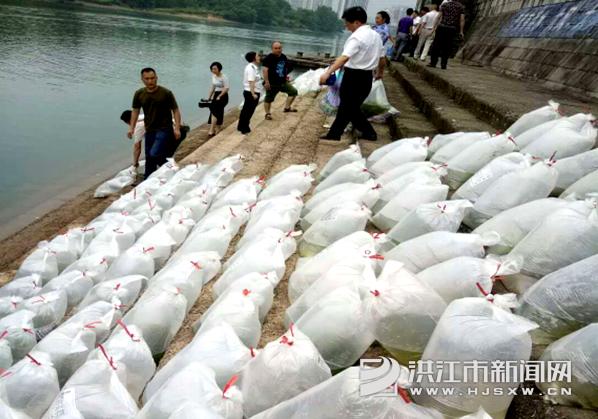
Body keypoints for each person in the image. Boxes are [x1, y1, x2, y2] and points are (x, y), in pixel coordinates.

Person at [319, 6, 384, 142]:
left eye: (347, 23)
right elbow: (382, 58)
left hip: (353, 77)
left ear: (356, 22)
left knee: (350, 108)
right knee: (347, 107)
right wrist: (380, 73)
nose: (346, 26)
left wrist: (328, 72)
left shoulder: (357, 37)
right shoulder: (376, 36)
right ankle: (335, 134)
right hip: (367, 77)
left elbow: (344, 57)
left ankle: (369, 132)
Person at [128, 67, 182, 179]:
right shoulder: (139, 94)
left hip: (164, 128)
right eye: (147, 79)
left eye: (152, 78)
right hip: (149, 128)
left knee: (154, 153)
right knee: (149, 156)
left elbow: (175, 110)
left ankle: (170, 167)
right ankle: (148, 178)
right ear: (142, 79)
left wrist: (177, 128)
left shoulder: (166, 93)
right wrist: (131, 128)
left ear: (156, 78)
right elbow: (135, 111)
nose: (150, 81)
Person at [262, 41, 298, 120]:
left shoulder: (283, 56)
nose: (278, 50)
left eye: (279, 48)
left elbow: (286, 67)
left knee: (293, 92)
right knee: (269, 99)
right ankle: (267, 114)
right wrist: (267, 82)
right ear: (272, 49)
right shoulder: (268, 58)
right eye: (276, 48)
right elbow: (265, 70)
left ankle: (287, 108)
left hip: (282, 82)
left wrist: (285, 76)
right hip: (272, 83)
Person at [429, 0, 465, 69]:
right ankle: (443, 64)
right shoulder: (460, 7)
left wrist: (433, 28)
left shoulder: (445, 5)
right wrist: (461, 31)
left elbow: (438, 17)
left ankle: (433, 62)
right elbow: (462, 20)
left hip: (442, 27)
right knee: (447, 47)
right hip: (451, 29)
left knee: (436, 45)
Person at [237, 51, 262, 135]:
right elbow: (251, 81)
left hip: (251, 91)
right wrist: (253, 94)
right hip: (251, 92)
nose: (259, 57)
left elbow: (255, 80)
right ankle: (244, 128)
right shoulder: (251, 68)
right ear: (253, 58)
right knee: (248, 111)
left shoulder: (253, 67)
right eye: (257, 56)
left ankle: (241, 126)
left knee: (246, 110)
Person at [206, 61, 229, 137]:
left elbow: (227, 88)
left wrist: (220, 96)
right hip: (216, 95)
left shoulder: (224, 77)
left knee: (215, 111)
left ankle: (212, 130)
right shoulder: (214, 76)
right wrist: (209, 97)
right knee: (216, 111)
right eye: (212, 69)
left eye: (215, 69)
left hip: (223, 95)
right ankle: (217, 128)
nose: (213, 70)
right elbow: (213, 87)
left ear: (219, 69)